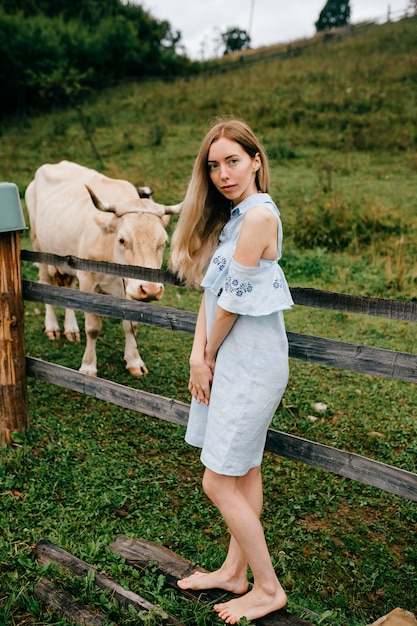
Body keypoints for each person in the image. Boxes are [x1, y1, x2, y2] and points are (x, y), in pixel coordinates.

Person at [169, 117, 294, 624]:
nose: (223, 173)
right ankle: (234, 573)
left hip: (252, 363)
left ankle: (267, 588)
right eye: (214, 165)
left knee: (217, 482)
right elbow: (210, 296)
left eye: (234, 161)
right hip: (228, 357)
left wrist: (207, 357)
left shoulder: (261, 216)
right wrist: (198, 354)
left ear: (257, 160)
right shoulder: (234, 219)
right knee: (244, 472)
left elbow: (235, 303)